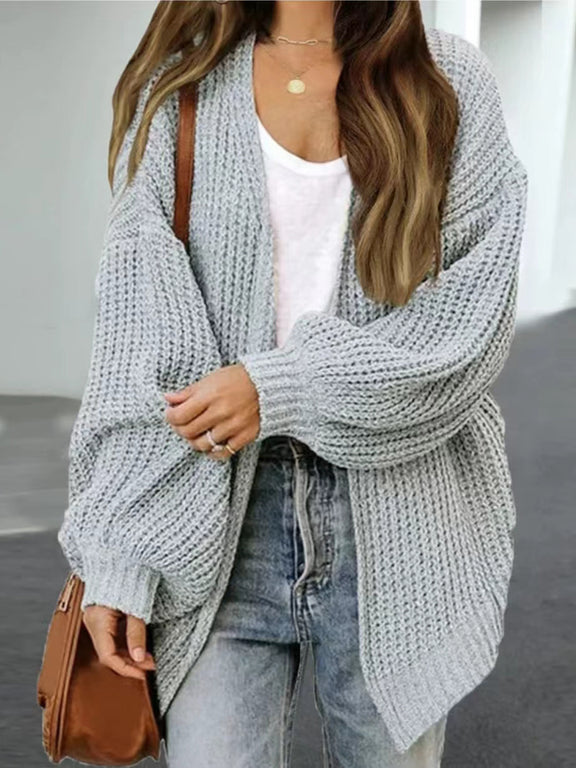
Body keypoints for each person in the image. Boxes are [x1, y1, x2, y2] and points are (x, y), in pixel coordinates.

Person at [57, 1, 529, 766]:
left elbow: (467, 328)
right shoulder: (182, 89)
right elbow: (135, 352)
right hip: (213, 516)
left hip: (400, 512)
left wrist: (278, 385)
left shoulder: (446, 81)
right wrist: (121, 554)